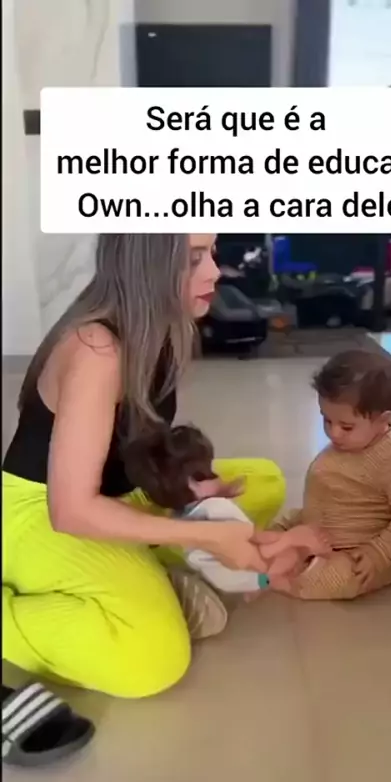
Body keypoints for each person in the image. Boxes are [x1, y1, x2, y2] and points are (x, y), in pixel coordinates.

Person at [2, 234, 285, 699]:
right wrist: (208, 536)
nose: (215, 272)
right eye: (194, 259)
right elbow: (70, 511)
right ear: (146, 265)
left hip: (116, 493)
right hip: (40, 515)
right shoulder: (98, 349)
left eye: (211, 254)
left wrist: (190, 485)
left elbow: (140, 446)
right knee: (155, 660)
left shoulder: (165, 328)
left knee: (265, 482)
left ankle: (147, 572)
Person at [258, 350, 391, 599]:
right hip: (319, 522)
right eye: (327, 421)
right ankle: (271, 553)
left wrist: (377, 553)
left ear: (383, 421)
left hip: (356, 551)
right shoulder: (351, 441)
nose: (334, 433)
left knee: (338, 578)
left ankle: (283, 578)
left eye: (346, 426)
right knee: (277, 531)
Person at [124, 423, 270, 594]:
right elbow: (249, 536)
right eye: (209, 473)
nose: (218, 477)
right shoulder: (215, 508)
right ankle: (265, 582)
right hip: (244, 571)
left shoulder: (179, 514)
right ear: (192, 484)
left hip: (230, 574)